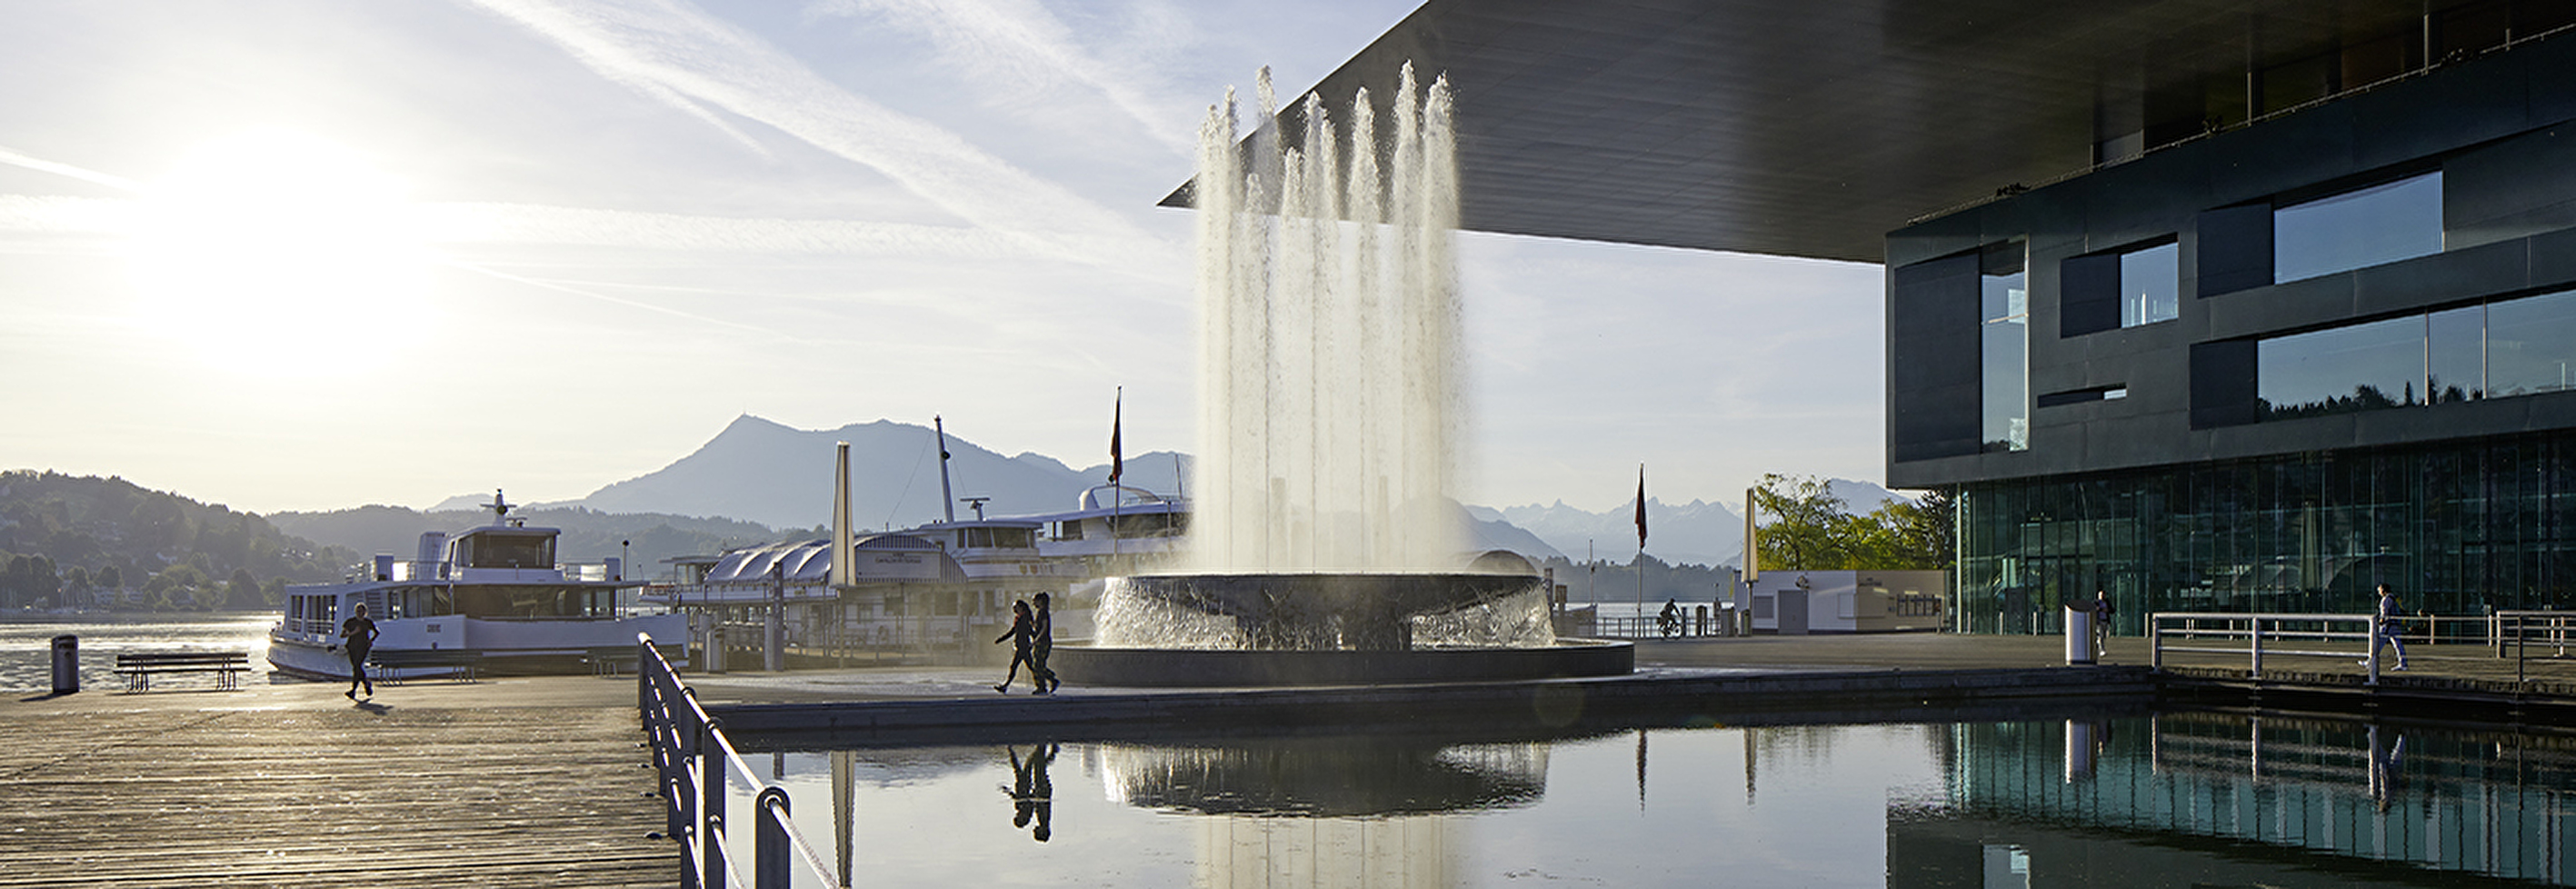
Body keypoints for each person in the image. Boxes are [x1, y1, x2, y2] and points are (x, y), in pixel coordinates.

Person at [333, 602, 380, 700]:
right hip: (352, 646)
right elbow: (342, 635)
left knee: (357, 665)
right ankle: (366, 683)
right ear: (355, 612)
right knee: (356, 668)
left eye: (362, 611)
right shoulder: (350, 622)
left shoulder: (368, 622)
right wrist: (353, 633)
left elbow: (376, 632)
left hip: (363, 647)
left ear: (365, 612)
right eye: (358, 611)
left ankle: (353, 691)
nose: (360, 613)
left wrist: (371, 641)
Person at [993, 599, 1035, 693]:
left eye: (1016, 607)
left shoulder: (1024, 619)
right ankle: (1047, 681)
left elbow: (1030, 631)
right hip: (1021, 647)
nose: (1014, 609)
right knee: (1030, 667)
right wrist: (1001, 639)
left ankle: (1046, 682)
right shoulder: (1019, 618)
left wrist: (1035, 641)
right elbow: (1013, 631)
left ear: (1021, 607)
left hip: (1023, 647)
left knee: (1016, 667)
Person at [2365, 584, 2410, 670]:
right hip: (2395, 624)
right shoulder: (2394, 599)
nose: (2378, 592)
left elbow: (2384, 613)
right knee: (2398, 645)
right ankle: (2403, 663)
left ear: (2383, 590)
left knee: (2378, 644)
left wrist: (2380, 622)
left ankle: (2370, 662)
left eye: (2379, 590)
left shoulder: (2385, 600)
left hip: (2388, 626)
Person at [1030, 591, 1059, 694]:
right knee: (1037, 665)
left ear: (1040, 601)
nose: (1033, 603)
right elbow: (1038, 628)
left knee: (1038, 665)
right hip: (1040, 642)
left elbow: (1044, 627)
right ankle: (1044, 684)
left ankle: (1050, 680)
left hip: (1044, 642)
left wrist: (1037, 639)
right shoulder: (1040, 613)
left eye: (1035, 601)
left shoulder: (1044, 612)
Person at [2091, 590, 2113, 658]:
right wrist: (2102, 609)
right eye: (2100, 595)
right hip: (2099, 621)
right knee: (2100, 636)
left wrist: (2108, 610)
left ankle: (2097, 647)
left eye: (2103, 595)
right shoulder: (2096, 602)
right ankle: (2102, 650)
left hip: (2105, 621)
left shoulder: (2107, 602)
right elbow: (2094, 609)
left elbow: (2112, 610)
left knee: (2104, 636)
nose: (2102, 596)